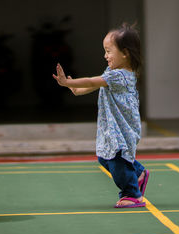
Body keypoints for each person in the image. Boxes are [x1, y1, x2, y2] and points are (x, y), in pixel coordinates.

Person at [52, 23, 150, 208]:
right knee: (105, 157)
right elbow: (90, 86)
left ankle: (132, 194)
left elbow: (91, 80)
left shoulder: (121, 76)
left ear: (125, 53)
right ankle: (138, 173)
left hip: (122, 129)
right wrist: (74, 88)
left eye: (108, 51)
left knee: (116, 159)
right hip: (111, 127)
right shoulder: (111, 73)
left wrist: (66, 83)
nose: (105, 55)